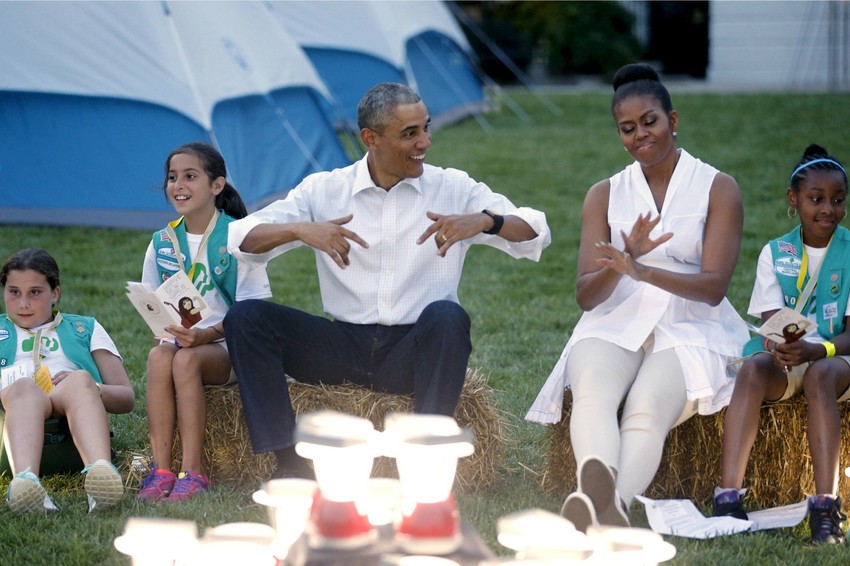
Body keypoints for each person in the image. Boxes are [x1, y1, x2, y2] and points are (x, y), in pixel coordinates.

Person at [224, 82, 550, 478]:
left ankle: (426, 460)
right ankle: (290, 464)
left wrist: (487, 220)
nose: (425, 142)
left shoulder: (453, 187)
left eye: (426, 128)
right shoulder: (325, 189)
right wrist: (300, 229)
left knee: (448, 317)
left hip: (413, 353)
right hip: (340, 348)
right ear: (370, 138)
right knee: (246, 318)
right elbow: (241, 240)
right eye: (410, 133)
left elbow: (535, 232)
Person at [526, 63, 749, 532]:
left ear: (674, 119)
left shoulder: (718, 187)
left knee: (647, 409)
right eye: (627, 129)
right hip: (615, 313)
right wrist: (624, 258)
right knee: (592, 394)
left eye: (650, 121)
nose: (640, 135)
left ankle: (612, 506)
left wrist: (643, 269)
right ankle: (600, 501)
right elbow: (586, 295)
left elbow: (713, 288)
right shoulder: (603, 194)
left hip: (691, 320)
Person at [712, 145, 850, 545]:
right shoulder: (776, 252)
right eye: (816, 199)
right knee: (754, 367)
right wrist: (779, 345)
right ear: (794, 199)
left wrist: (815, 350)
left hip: (835, 358)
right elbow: (771, 320)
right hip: (791, 355)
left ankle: (826, 507)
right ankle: (728, 497)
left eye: (838, 200)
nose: (828, 210)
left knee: (820, 376)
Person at [137, 142, 272, 502]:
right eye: (172, 177)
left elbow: (253, 313)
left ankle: (193, 472)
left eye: (190, 176)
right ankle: (161, 470)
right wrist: (167, 332)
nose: (178, 185)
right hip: (183, 342)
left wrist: (205, 335)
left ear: (217, 185)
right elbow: (153, 304)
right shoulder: (162, 242)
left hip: (229, 346)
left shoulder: (238, 236)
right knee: (159, 357)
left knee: (185, 359)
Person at [0, 248, 135, 513]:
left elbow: (126, 397)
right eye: (14, 292)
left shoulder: (85, 328)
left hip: (72, 427)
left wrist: (93, 388)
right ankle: (26, 484)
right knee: (25, 388)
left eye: (35, 292)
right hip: (12, 429)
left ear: (55, 293)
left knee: (81, 380)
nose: (23, 303)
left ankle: (100, 475)